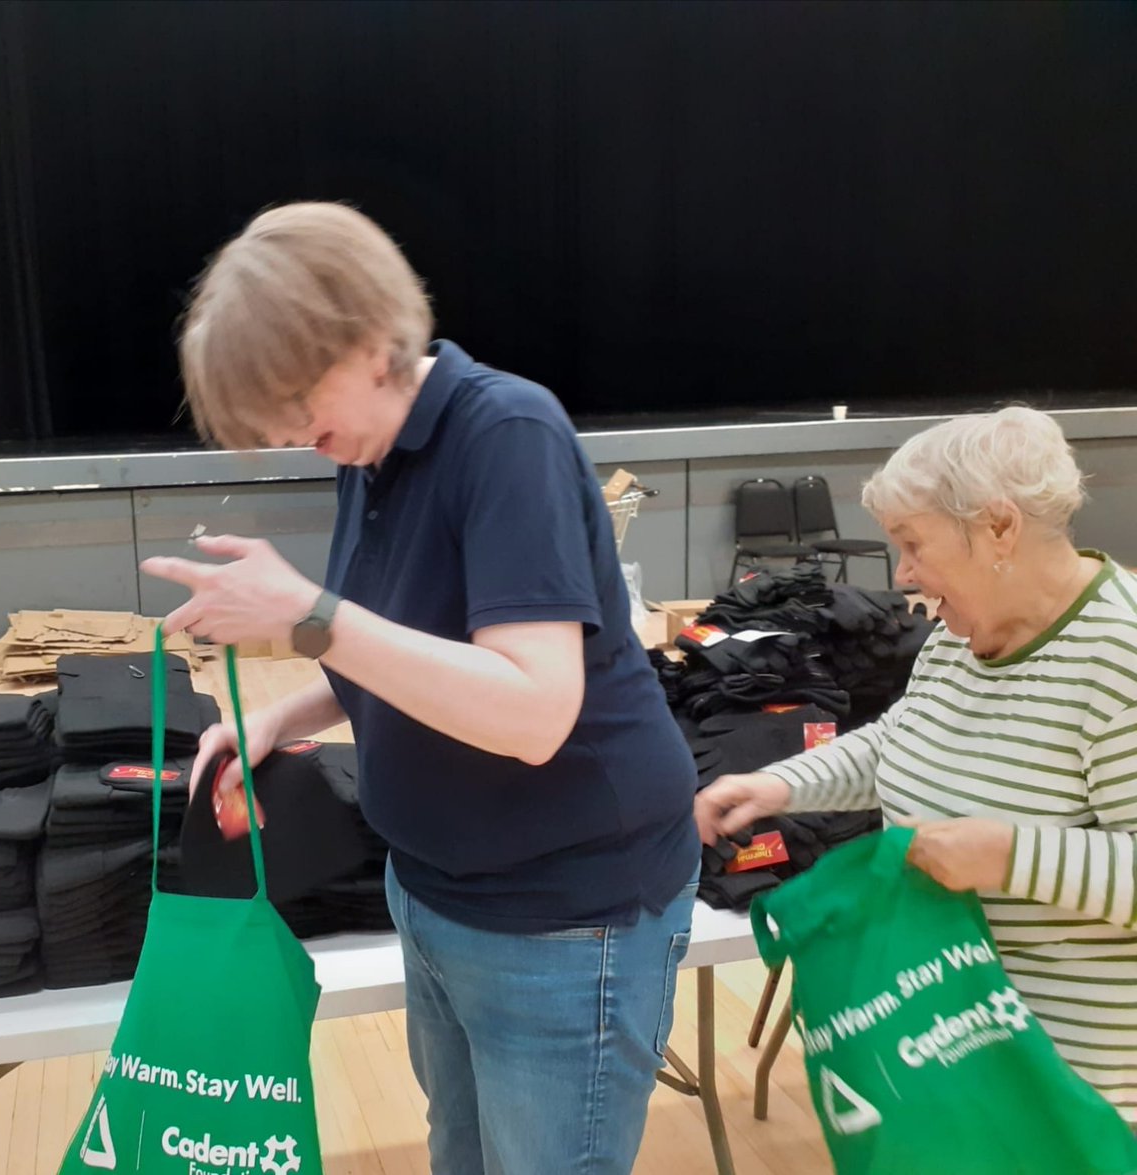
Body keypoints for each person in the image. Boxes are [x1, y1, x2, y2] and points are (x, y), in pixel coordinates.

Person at [141, 201, 700, 1174]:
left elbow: (531, 709)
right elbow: (395, 643)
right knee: (464, 1154)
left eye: (292, 398)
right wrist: (282, 710)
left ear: (365, 340)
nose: (285, 430)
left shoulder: (507, 433)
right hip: (439, 890)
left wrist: (308, 613)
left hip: (565, 911)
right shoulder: (370, 450)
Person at [697, 405, 1137, 1126]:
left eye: (912, 544)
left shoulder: (1120, 658)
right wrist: (778, 783)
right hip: (950, 1044)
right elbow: (899, 739)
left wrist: (1007, 855)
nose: (901, 574)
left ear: (999, 527)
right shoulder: (961, 637)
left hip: (1065, 1089)